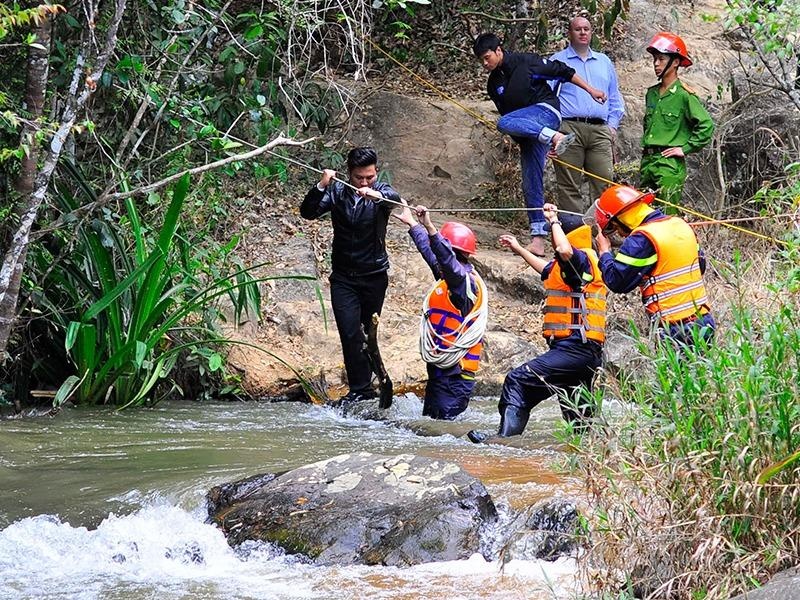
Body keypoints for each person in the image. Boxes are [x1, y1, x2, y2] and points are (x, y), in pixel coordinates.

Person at [468, 204, 607, 443]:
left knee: (517, 380)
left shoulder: (578, 259)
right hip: (583, 353)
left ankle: (503, 441)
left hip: (574, 349)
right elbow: (546, 269)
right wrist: (519, 249)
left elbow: (564, 249)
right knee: (577, 412)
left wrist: (553, 219)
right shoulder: (575, 266)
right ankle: (593, 452)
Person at [473, 32, 608, 257]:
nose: (485, 64)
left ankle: (555, 137)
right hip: (532, 133)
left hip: (546, 112)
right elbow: (513, 120)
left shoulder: (526, 62)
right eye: (481, 61)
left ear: (499, 50)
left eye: (487, 57)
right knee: (530, 181)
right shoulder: (493, 83)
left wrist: (591, 91)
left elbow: (563, 72)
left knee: (503, 122)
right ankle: (537, 240)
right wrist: (537, 139)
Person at [300, 147, 400, 404]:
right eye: (359, 178)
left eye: (370, 176)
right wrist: (322, 185)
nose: (364, 182)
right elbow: (308, 212)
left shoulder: (383, 191)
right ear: (349, 174)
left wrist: (374, 195)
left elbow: (393, 202)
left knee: (368, 332)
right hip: (344, 277)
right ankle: (361, 389)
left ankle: (373, 384)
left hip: (374, 275)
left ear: (376, 171)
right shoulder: (336, 190)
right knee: (349, 331)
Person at [394, 203, 488, 419]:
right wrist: (413, 224)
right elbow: (433, 255)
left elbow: (444, 259)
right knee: (431, 425)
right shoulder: (450, 277)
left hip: (454, 376)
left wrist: (430, 227)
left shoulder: (462, 284)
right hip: (442, 372)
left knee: (440, 430)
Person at [594, 185, 715, 346]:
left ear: (621, 219)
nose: (621, 235)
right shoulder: (680, 224)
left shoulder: (642, 239)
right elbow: (700, 266)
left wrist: (604, 252)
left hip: (675, 328)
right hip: (704, 321)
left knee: (677, 372)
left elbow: (616, 281)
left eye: (615, 228)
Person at [550, 16, 625, 214]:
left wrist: (612, 126)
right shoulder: (558, 61)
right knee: (569, 184)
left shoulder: (604, 61)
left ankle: (602, 232)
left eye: (587, 29)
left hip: (600, 129)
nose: (583, 33)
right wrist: (551, 130)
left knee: (604, 181)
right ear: (569, 33)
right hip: (568, 127)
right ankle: (575, 233)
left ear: (592, 32)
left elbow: (615, 96)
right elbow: (547, 97)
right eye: (578, 29)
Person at [640, 32, 714, 209]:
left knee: (666, 216)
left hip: (668, 165)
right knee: (642, 213)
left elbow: (706, 125)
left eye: (661, 59)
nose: (656, 64)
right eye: (655, 59)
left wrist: (685, 148)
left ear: (675, 62)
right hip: (648, 161)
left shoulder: (684, 95)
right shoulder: (651, 93)